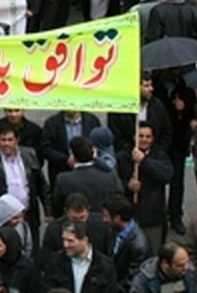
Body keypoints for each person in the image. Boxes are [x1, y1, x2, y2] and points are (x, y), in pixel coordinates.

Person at [0, 126, 48, 241]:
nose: (6, 144)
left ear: (17, 140)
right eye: (3, 140)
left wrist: (48, 211)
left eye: (10, 140)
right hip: (3, 219)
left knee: (32, 249)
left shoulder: (29, 154)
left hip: (28, 214)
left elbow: (41, 184)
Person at [116, 122, 173, 253]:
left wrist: (144, 161)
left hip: (152, 217)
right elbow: (113, 182)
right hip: (128, 217)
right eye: (140, 136)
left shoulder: (160, 156)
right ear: (134, 137)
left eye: (148, 136)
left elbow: (167, 175)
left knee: (153, 253)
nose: (144, 139)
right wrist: (127, 185)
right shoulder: (122, 156)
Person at [51, 135, 123, 218]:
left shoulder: (63, 180)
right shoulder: (110, 175)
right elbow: (119, 198)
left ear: (73, 156)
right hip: (105, 223)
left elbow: (57, 207)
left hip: (76, 225)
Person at [39, 220, 118, 293]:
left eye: (70, 241)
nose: (65, 245)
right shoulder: (54, 262)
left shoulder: (105, 266)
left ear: (85, 240)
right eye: (63, 240)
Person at [104, 195, 151, 293]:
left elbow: (131, 280)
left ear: (117, 218)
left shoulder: (139, 246)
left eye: (106, 216)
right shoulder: (114, 229)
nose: (104, 219)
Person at [128, 243, 197, 293]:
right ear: (165, 264)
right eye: (180, 265)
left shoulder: (188, 272)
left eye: (187, 262)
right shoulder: (143, 281)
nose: (186, 267)